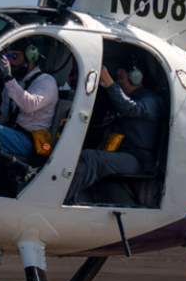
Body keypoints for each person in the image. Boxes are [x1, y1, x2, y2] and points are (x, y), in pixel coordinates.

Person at [66, 61, 165, 204]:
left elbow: (131, 108)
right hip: (123, 153)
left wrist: (107, 80)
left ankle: (62, 198)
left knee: (90, 158)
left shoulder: (151, 100)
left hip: (139, 159)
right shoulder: (129, 101)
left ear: (135, 78)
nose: (118, 82)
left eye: (121, 78)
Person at [0, 41, 59, 162]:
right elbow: (5, 115)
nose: (10, 62)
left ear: (30, 56)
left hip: (30, 140)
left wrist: (8, 78)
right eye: (7, 57)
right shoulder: (18, 83)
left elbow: (30, 105)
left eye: (13, 56)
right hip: (14, 133)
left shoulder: (46, 81)